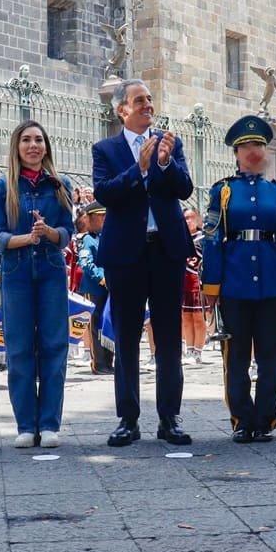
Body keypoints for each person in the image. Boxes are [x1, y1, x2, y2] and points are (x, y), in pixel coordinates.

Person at [92, 78, 195, 447]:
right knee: (127, 336)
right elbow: (105, 193)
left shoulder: (171, 142)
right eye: (139, 101)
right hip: (125, 255)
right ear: (122, 110)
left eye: (150, 100)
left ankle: (170, 417)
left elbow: (184, 189)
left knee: (169, 338)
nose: (148, 105)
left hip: (166, 251)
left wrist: (165, 165)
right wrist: (140, 169)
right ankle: (128, 418)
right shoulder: (105, 149)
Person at [201, 116, 276, 442]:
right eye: (246, 146)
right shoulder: (223, 191)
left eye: (258, 145)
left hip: (271, 284)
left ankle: (266, 418)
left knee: (272, 356)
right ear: (236, 153)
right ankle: (243, 419)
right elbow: (213, 238)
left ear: (266, 151)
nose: (253, 151)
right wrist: (211, 286)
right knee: (237, 357)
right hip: (235, 284)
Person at [0, 120, 76, 448]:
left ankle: (49, 423)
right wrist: (27, 238)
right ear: (17, 146)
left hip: (52, 272)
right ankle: (26, 425)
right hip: (16, 275)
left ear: (46, 146)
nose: (33, 145)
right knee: (20, 348)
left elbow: (68, 230)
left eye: (39, 139)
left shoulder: (60, 184)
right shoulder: (2, 188)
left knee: (54, 346)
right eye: (26, 140)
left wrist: (52, 234)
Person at [78, 202, 113, 375]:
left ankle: (109, 361)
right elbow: (86, 263)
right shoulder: (87, 239)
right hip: (95, 288)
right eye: (101, 216)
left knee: (110, 323)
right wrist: (101, 278)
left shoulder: (110, 236)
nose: (105, 219)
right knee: (95, 326)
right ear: (93, 217)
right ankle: (99, 363)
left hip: (112, 286)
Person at [181, 207, 211, 365]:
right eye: (185, 218)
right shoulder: (180, 237)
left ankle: (198, 352)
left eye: (191, 217)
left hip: (196, 284)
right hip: (183, 283)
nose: (188, 221)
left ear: (198, 219)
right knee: (186, 318)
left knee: (199, 318)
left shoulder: (203, 238)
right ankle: (189, 349)